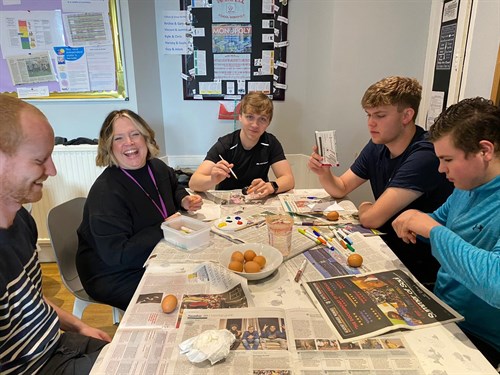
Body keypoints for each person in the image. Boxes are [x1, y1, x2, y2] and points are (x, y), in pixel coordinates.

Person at [0, 94, 111, 374]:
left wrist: (78, 325)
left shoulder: (22, 221)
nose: (52, 170)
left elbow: (28, 298)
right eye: (40, 160)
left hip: (56, 345)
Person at [308, 76, 453, 286]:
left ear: (407, 115)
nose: (370, 123)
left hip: (420, 268)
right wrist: (324, 173)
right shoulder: (378, 143)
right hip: (388, 247)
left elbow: (372, 219)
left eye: (380, 115)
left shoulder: (425, 154)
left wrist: (366, 206)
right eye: (368, 115)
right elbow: (341, 188)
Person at [392, 97, 500, 366]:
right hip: (442, 312)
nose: (441, 169)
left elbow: (496, 285)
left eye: (448, 159)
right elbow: (438, 221)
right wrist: (415, 219)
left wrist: (431, 228)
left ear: (484, 151)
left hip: (479, 337)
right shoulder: (466, 186)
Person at [76, 109, 202, 311]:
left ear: (146, 138)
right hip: (113, 273)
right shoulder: (106, 193)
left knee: (199, 274)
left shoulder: (157, 167)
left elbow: (173, 187)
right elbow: (118, 255)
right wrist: (164, 226)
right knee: (185, 297)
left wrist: (183, 199)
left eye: (135, 134)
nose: (129, 142)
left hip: (153, 251)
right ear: (109, 147)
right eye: (119, 138)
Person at [189, 92, 294, 197]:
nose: (255, 125)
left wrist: (271, 186)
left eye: (262, 119)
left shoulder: (270, 143)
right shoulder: (225, 144)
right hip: (228, 202)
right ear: (240, 117)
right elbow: (193, 183)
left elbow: (289, 179)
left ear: (268, 122)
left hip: (258, 199)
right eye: (249, 117)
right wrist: (212, 179)